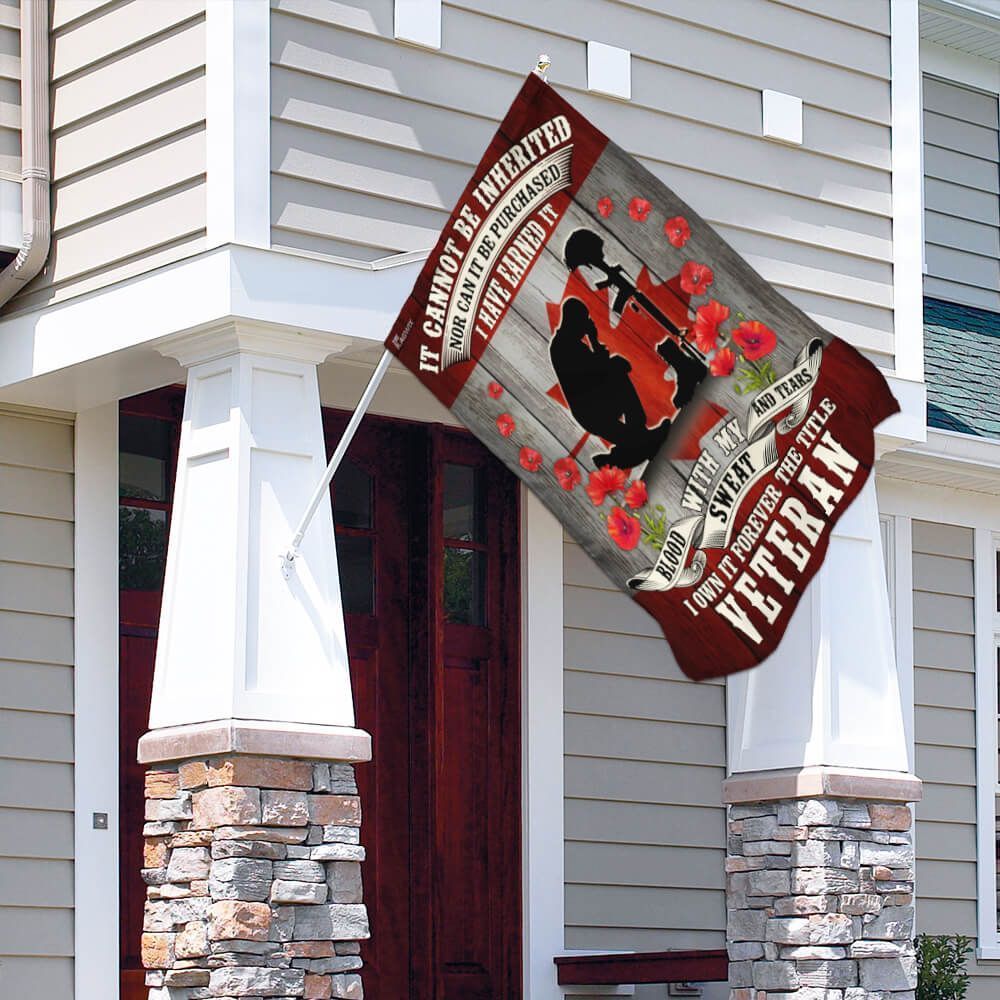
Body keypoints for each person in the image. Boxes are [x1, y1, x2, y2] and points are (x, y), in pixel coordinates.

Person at [550, 297, 675, 468]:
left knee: (616, 367)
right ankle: (637, 438)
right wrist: (593, 340)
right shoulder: (563, 346)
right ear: (574, 321)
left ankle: (636, 438)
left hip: (597, 403)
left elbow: (597, 368)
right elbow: (597, 370)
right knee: (616, 367)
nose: (585, 326)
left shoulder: (569, 343)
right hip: (593, 411)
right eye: (583, 321)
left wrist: (595, 344)